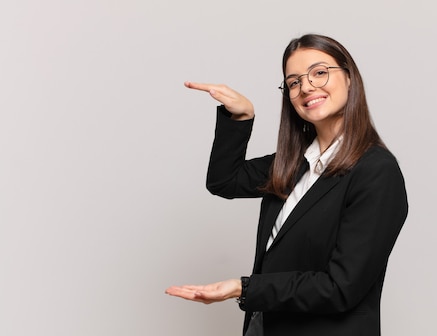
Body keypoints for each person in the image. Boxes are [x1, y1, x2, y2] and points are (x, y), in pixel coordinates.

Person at [165, 34, 409, 336]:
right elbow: (224, 181)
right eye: (294, 82)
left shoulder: (376, 171)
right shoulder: (293, 163)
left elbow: (341, 287)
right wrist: (240, 117)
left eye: (319, 72)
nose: (306, 86)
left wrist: (243, 288)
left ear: (349, 78)